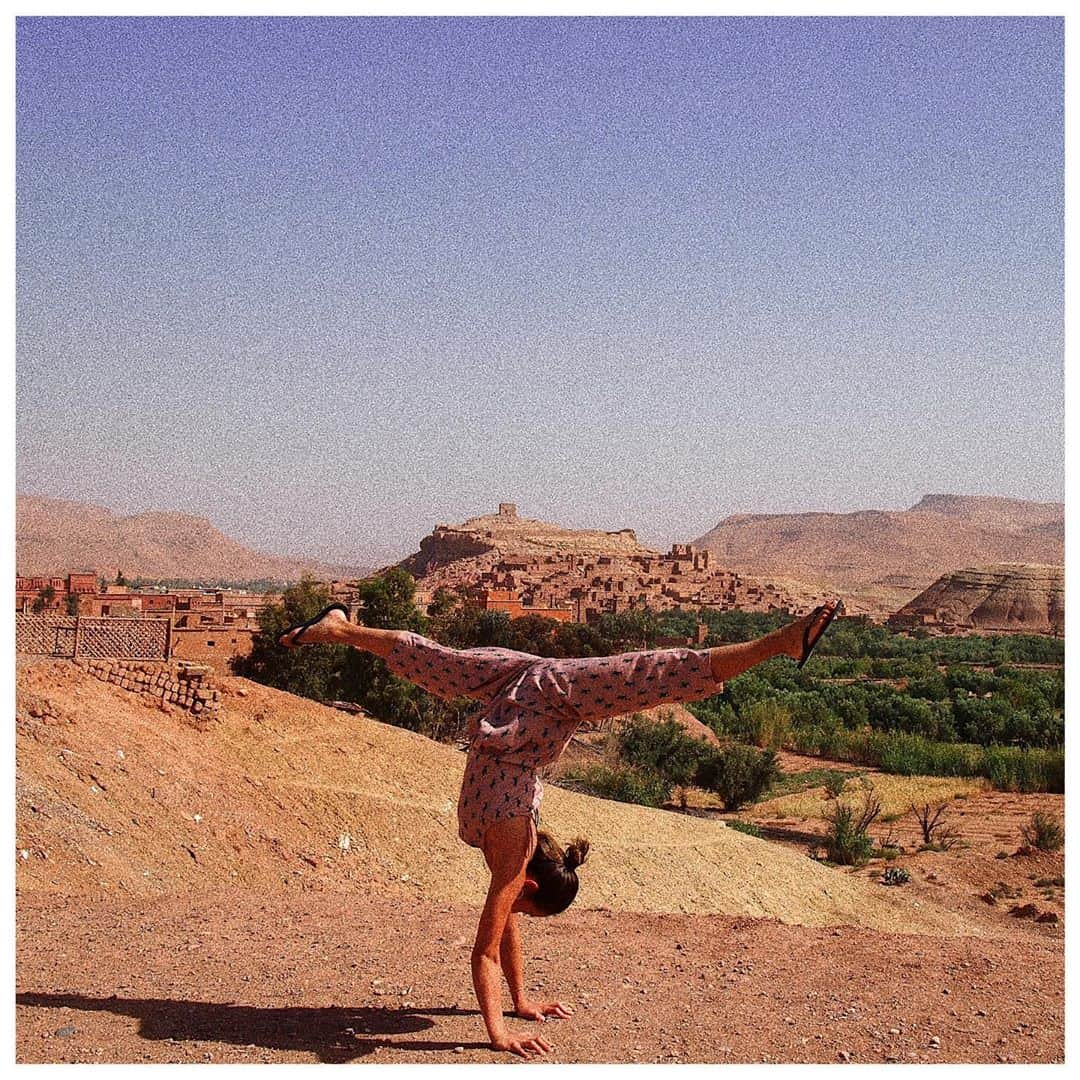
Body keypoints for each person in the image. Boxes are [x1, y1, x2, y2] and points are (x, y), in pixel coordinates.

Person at [279, 598, 842, 1056]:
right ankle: (778, 642)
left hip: (523, 701)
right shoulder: (511, 844)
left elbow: (503, 929)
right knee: (653, 674)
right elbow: (485, 951)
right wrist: (500, 1032)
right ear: (529, 883)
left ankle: (341, 631)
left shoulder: (512, 848)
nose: (510, 914)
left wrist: (522, 999)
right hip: (541, 700)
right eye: (523, 905)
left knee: (442, 662)